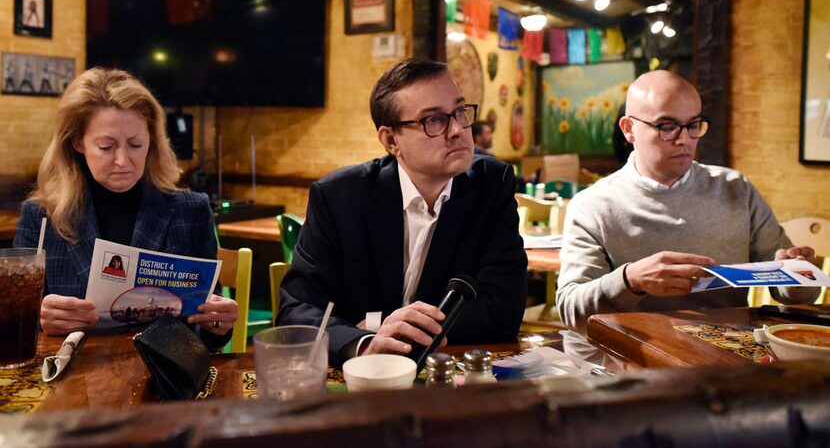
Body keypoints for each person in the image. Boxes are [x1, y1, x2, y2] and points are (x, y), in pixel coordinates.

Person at [278, 58, 527, 367]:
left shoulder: (491, 184)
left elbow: (503, 311)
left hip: (446, 376)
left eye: (459, 112)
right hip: (363, 379)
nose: (457, 130)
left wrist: (374, 326)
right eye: (433, 120)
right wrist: (365, 344)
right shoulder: (339, 196)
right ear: (391, 140)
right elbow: (296, 311)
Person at [556, 70, 819, 332]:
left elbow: (796, 292)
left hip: (731, 354)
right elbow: (571, 310)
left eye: (693, 125)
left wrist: (797, 278)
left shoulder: (735, 189)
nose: (684, 140)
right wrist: (630, 281)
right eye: (667, 127)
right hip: (635, 356)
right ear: (629, 129)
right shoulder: (593, 205)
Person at [14, 68, 237, 349]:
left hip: (163, 379)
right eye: (106, 147)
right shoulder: (40, 216)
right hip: (73, 376)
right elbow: (15, 321)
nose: (123, 160)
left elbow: (206, 332)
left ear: (152, 141)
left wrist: (218, 323)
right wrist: (37, 317)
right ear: (77, 142)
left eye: (135, 144)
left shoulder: (189, 211)